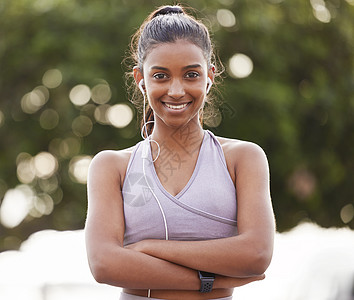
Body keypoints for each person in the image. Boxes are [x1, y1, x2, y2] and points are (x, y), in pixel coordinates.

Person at [85, 4, 275, 300]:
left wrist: (149, 248)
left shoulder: (242, 158)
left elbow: (256, 254)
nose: (176, 90)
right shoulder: (113, 167)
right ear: (140, 79)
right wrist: (211, 281)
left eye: (190, 75)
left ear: (210, 76)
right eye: (160, 76)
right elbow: (104, 264)